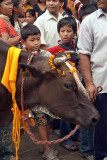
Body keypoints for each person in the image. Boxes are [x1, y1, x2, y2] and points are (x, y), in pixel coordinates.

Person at [21, 24, 60, 160]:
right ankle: (46, 150)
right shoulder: (22, 57)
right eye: (32, 40)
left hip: (47, 97)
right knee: (42, 122)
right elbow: (26, 80)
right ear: (23, 42)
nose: (36, 43)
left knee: (48, 122)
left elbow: (55, 69)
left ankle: (46, 146)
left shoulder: (45, 54)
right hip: (35, 99)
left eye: (38, 39)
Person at [77, 0, 107, 160]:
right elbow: (84, 54)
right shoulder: (90, 21)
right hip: (102, 85)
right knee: (102, 129)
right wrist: (89, 83)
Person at [47, 17, 80, 151]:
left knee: (76, 110)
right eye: (62, 31)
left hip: (75, 85)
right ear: (58, 32)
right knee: (65, 114)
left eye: (69, 31)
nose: (65, 34)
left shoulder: (77, 47)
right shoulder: (53, 50)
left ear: (74, 32)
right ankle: (65, 138)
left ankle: (75, 134)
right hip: (61, 87)